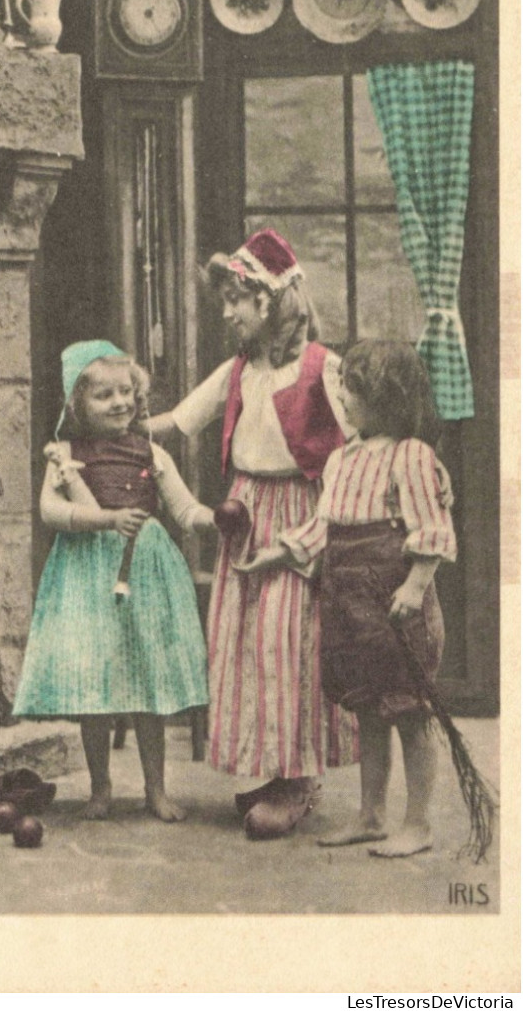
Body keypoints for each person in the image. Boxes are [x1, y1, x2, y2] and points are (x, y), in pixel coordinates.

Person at [149, 228, 358, 839]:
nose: (227, 311)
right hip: (245, 510)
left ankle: (296, 778)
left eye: (236, 299)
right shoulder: (239, 369)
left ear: (269, 301)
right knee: (243, 644)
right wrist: (120, 425)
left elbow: (351, 459)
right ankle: (266, 771)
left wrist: (314, 537)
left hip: (299, 511)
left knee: (286, 645)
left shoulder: (324, 369)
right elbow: (178, 420)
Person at [239, 340, 457, 857]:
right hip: (346, 600)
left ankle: (418, 822)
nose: (344, 398)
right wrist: (277, 553)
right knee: (369, 711)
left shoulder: (412, 456)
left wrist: (414, 585)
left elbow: (432, 529)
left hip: (394, 600)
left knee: (409, 709)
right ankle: (371, 815)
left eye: (353, 389)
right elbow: (322, 528)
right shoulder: (341, 461)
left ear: (388, 397)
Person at [12, 340, 215, 823]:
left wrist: (216, 520)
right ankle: (100, 788)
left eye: (126, 392)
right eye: (104, 396)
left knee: (149, 681)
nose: (120, 402)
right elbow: (51, 510)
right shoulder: (64, 453)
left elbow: (184, 509)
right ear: (78, 404)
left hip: (144, 570)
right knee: (94, 683)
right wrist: (103, 521)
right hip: (85, 574)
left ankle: (156, 789)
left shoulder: (152, 451)